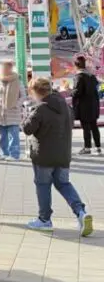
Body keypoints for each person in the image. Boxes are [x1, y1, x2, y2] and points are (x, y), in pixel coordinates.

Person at [22, 76, 93, 235]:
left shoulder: (40, 109)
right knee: (64, 184)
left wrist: (27, 114)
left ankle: (44, 220)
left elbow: (27, 129)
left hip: (44, 156)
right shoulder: (65, 106)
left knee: (43, 185)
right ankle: (81, 213)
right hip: (63, 155)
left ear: (36, 92)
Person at [0, 61, 24, 160]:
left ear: (10, 68)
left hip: (13, 113)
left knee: (14, 136)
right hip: (0, 113)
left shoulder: (17, 81)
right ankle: (5, 153)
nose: (4, 69)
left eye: (6, 67)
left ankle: (14, 155)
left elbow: (23, 96)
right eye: (3, 67)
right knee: (2, 136)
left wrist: (17, 105)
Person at [72, 54, 101, 155]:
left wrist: (71, 92)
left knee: (86, 127)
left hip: (83, 106)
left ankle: (87, 147)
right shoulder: (92, 76)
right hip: (93, 104)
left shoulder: (79, 77)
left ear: (76, 65)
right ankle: (98, 147)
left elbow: (77, 92)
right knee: (94, 126)